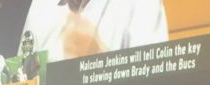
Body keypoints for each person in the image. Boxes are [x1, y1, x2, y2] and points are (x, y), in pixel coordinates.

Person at [20, 0, 168, 63]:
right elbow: (23, 82)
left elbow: (153, 83)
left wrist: (97, 60)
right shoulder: (39, 5)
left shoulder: (142, 3)